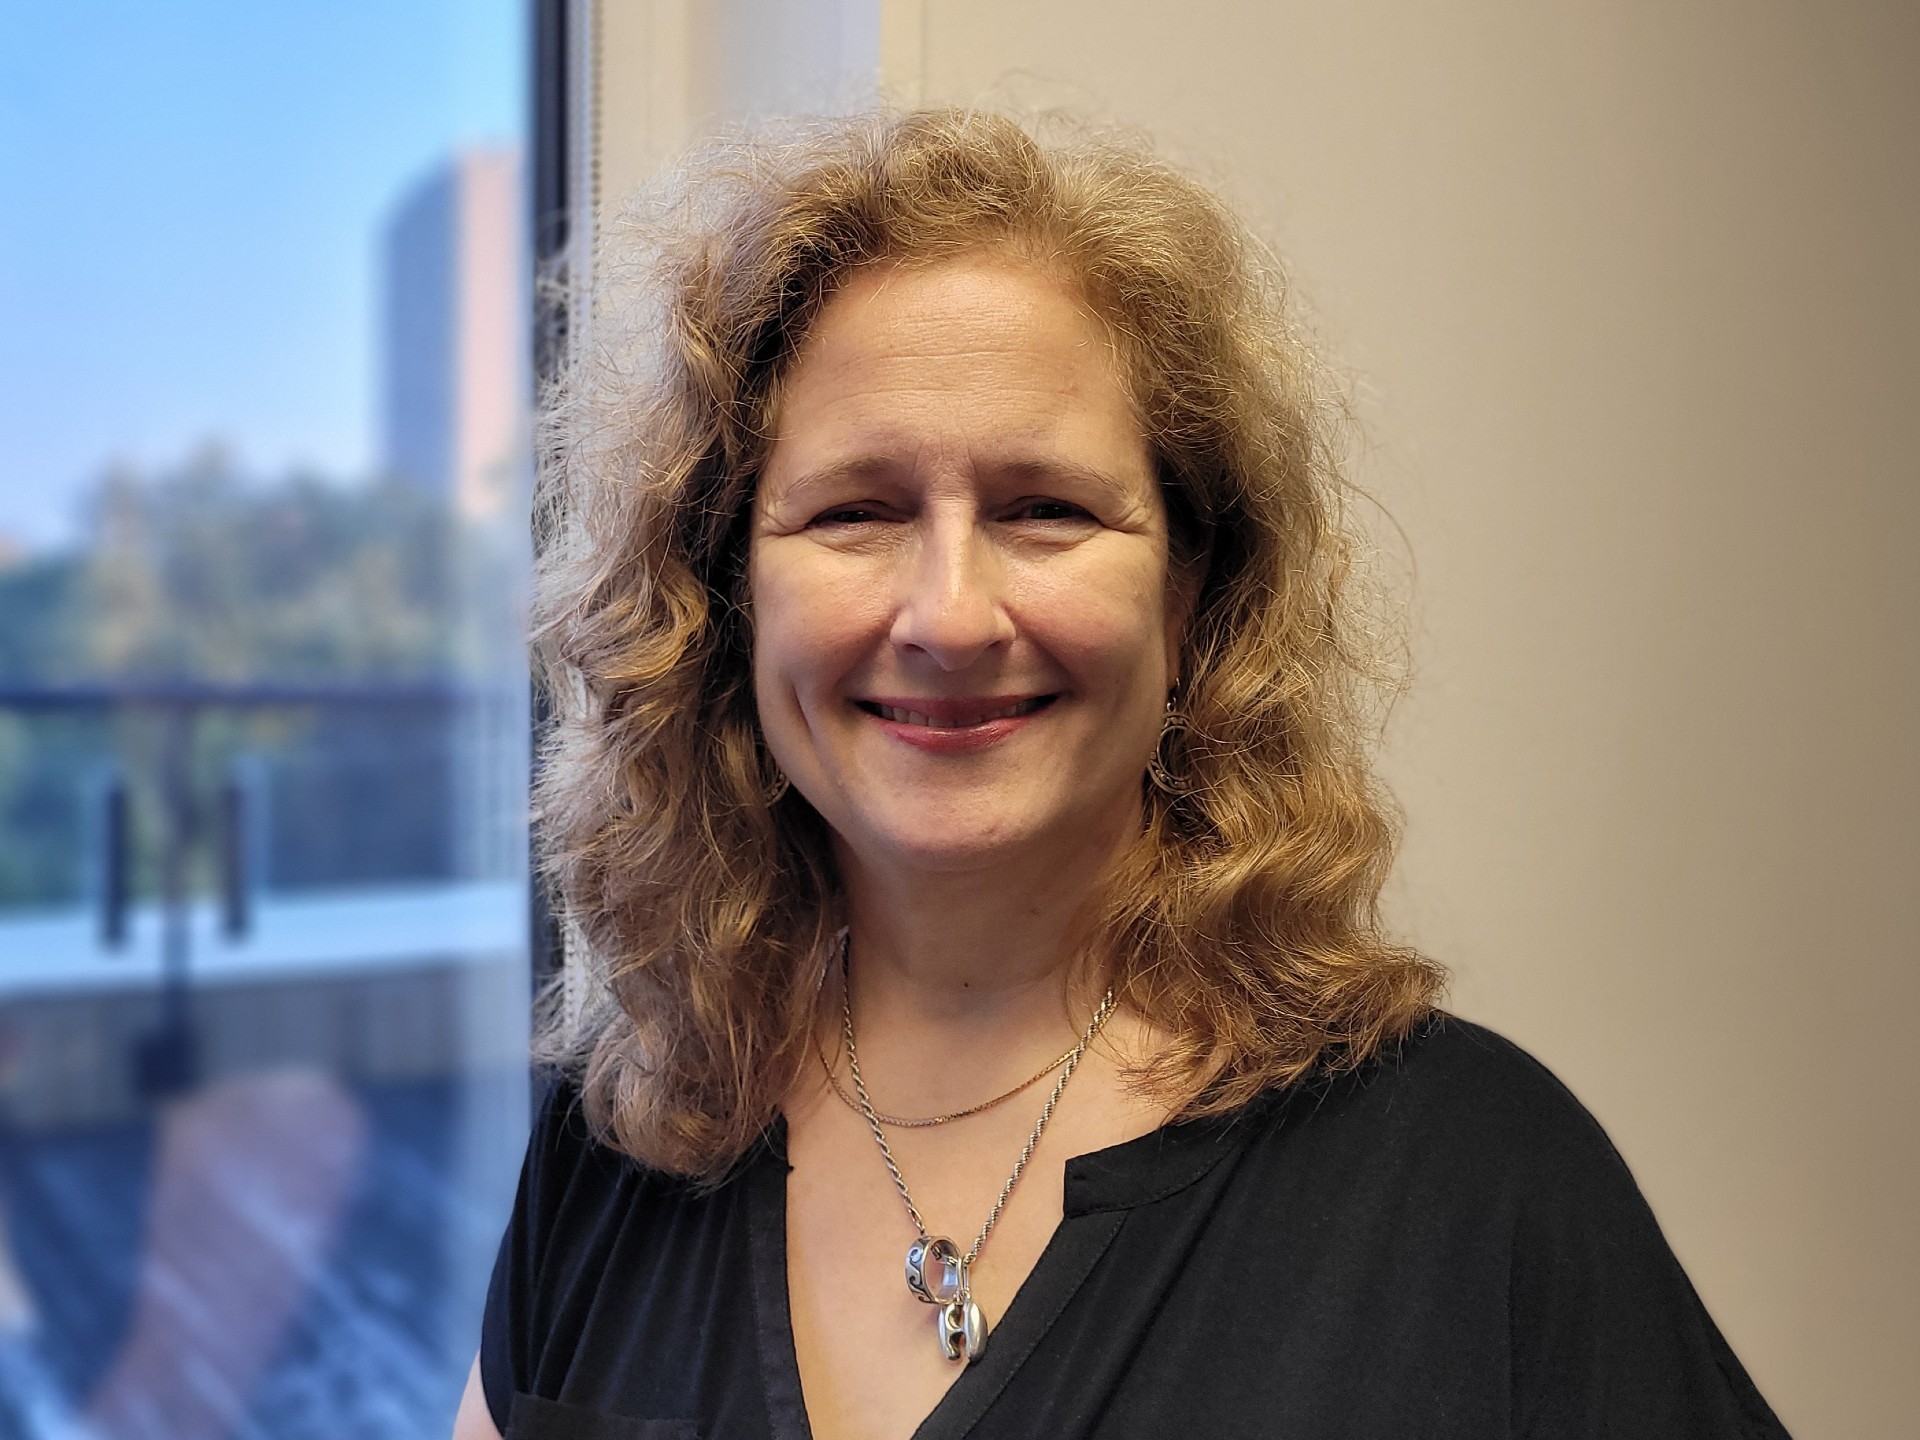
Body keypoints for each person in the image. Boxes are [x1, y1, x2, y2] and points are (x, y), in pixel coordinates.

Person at [453, 110, 1789, 1440]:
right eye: (856, 510)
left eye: (1047, 509)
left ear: (1190, 596)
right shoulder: (621, 1152)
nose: (950, 617)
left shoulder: (1479, 1189)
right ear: (731, 593)